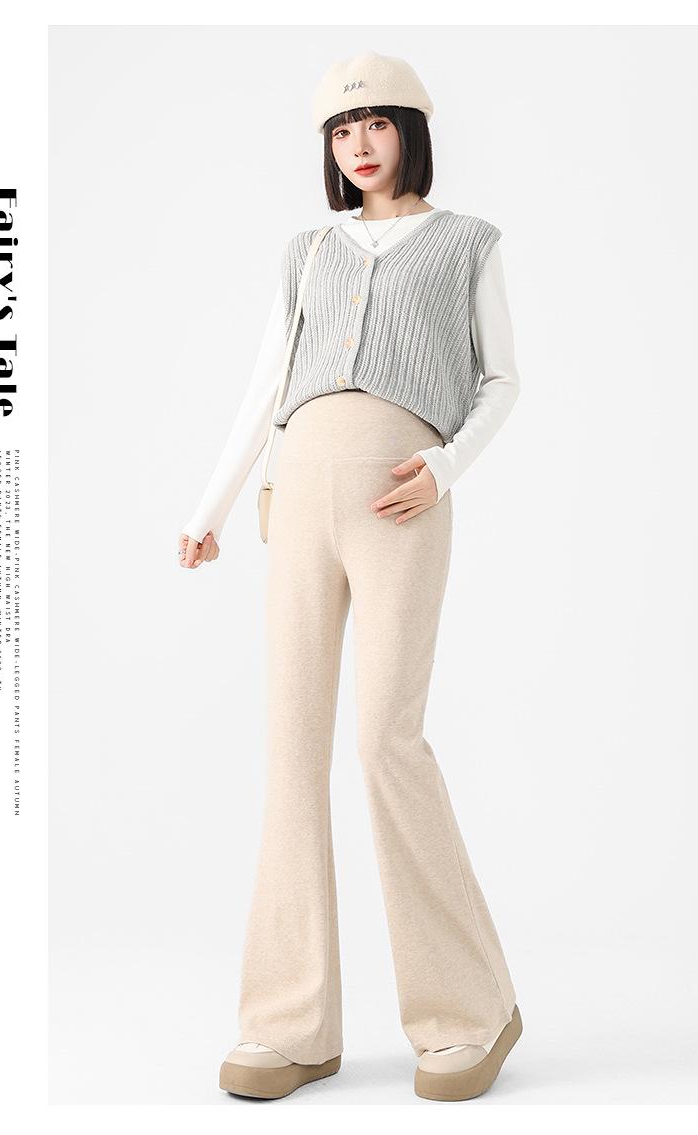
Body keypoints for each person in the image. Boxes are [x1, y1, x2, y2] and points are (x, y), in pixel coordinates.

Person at [179, 50, 524, 1102]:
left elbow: (502, 379)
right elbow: (265, 383)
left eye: (375, 123)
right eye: (340, 130)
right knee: (292, 749)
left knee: (385, 741)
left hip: (398, 504)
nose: (358, 145)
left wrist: (445, 466)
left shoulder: (465, 242)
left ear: (410, 131)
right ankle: (290, 1024)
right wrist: (209, 511)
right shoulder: (309, 250)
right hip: (298, 503)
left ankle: (469, 1012)